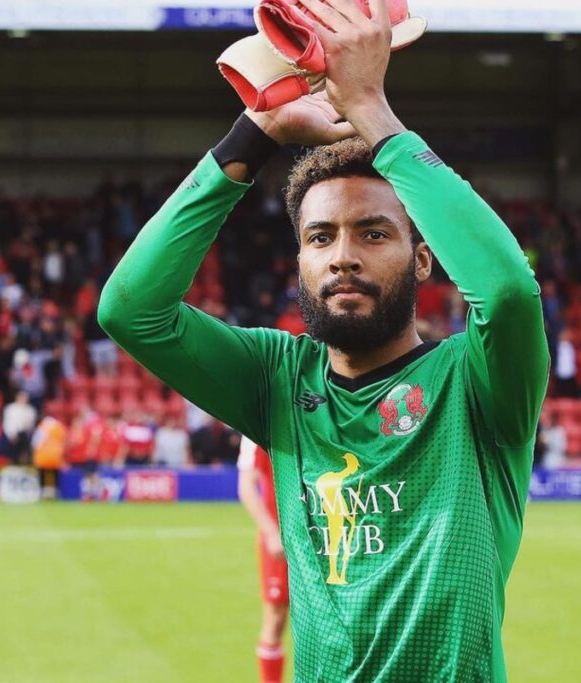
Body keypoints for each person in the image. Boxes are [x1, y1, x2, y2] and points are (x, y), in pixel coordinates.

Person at [98, 4, 549, 679]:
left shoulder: (478, 380)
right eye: (320, 237)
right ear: (300, 262)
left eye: (373, 232)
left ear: (424, 260)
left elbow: (509, 291)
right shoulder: (279, 380)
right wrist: (258, 130)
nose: (342, 256)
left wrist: (374, 114)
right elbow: (132, 310)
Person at [237, 436, 288, 683]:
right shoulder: (255, 426)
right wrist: (270, 532)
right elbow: (246, 485)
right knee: (276, 618)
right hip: (279, 537)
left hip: (322, 533)